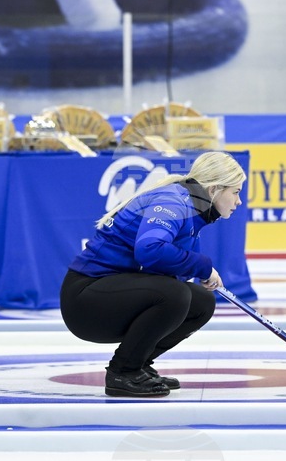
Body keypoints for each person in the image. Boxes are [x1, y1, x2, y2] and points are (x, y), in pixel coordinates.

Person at [60, 151, 246, 398]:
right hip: (84, 300)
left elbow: (168, 272)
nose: (239, 201)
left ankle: (138, 364)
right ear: (213, 190)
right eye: (235, 192)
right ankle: (123, 371)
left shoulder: (192, 210)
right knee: (174, 294)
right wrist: (202, 266)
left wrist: (197, 270)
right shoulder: (173, 201)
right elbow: (150, 250)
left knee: (201, 301)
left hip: (107, 294)